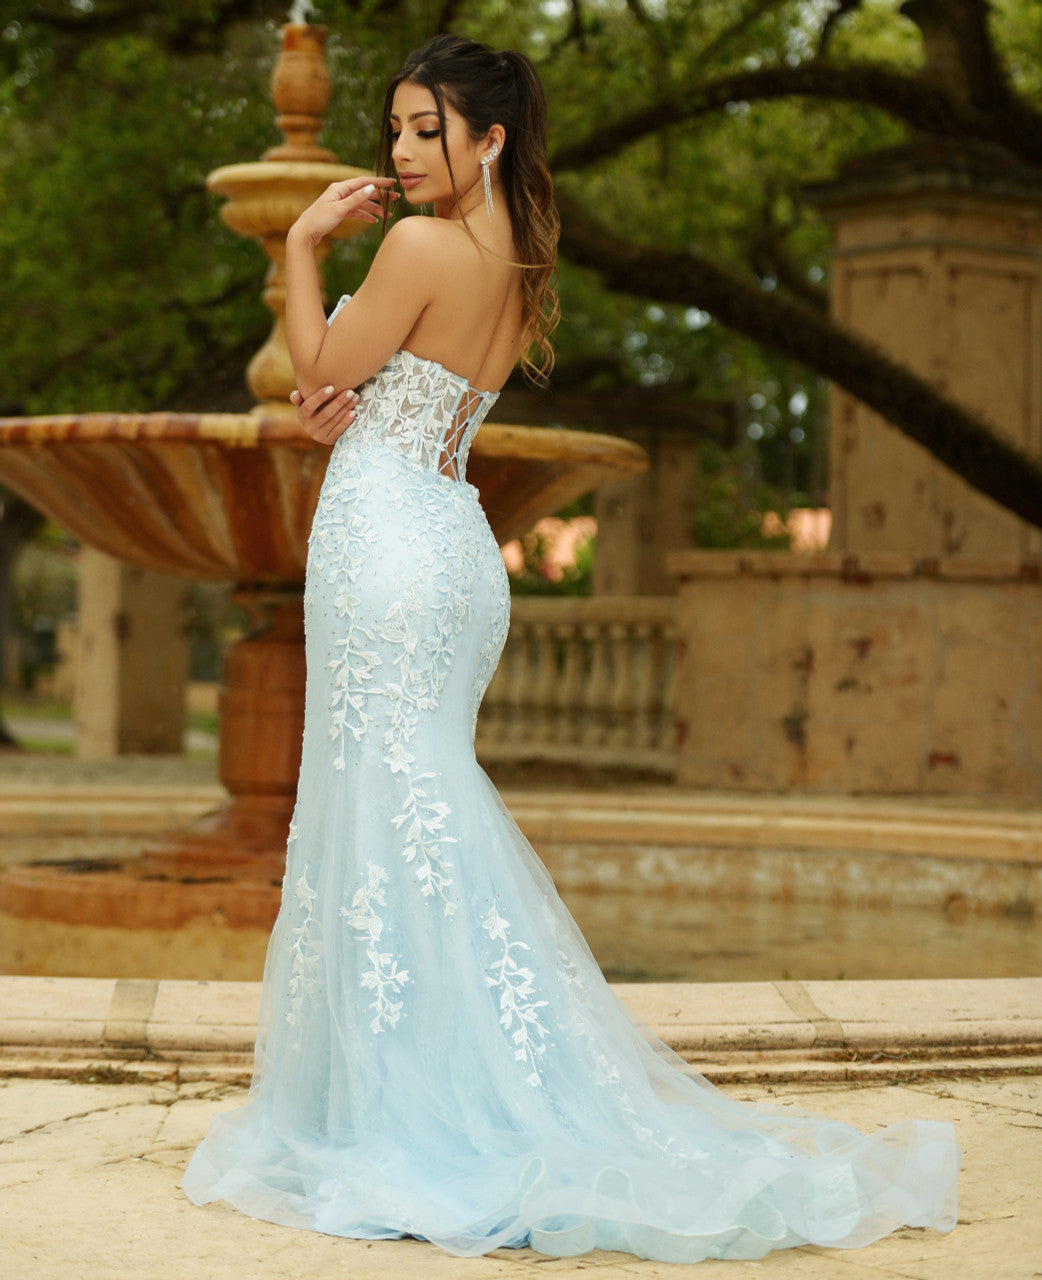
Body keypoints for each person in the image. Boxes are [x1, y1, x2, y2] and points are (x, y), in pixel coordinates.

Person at [182, 34, 960, 1262]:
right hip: (446, 545)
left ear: (486, 139)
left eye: (423, 131)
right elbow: (374, 394)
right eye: (392, 130)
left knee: (388, 805)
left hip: (387, 545)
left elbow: (319, 372)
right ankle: (446, 1076)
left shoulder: (417, 243)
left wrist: (295, 247)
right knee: (415, 800)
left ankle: (413, 1102)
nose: (397, 152)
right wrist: (345, 399)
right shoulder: (511, 257)